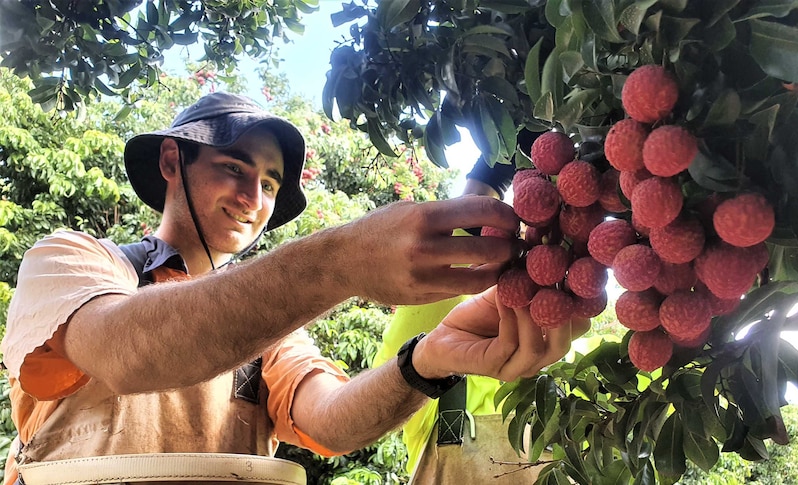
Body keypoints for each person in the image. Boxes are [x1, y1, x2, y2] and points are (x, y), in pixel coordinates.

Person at [0, 93, 582, 485]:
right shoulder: (73, 260)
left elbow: (331, 421)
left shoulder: (268, 331)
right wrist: (341, 260)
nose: (254, 199)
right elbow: (125, 350)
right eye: (234, 168)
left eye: (270, 183)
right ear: (173, 162)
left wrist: (427, 360)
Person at [375, 131, 587, 484]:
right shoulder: (423, 366)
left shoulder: (575, 363)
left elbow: (454, 250)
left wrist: (492, 176)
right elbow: (453, 254)